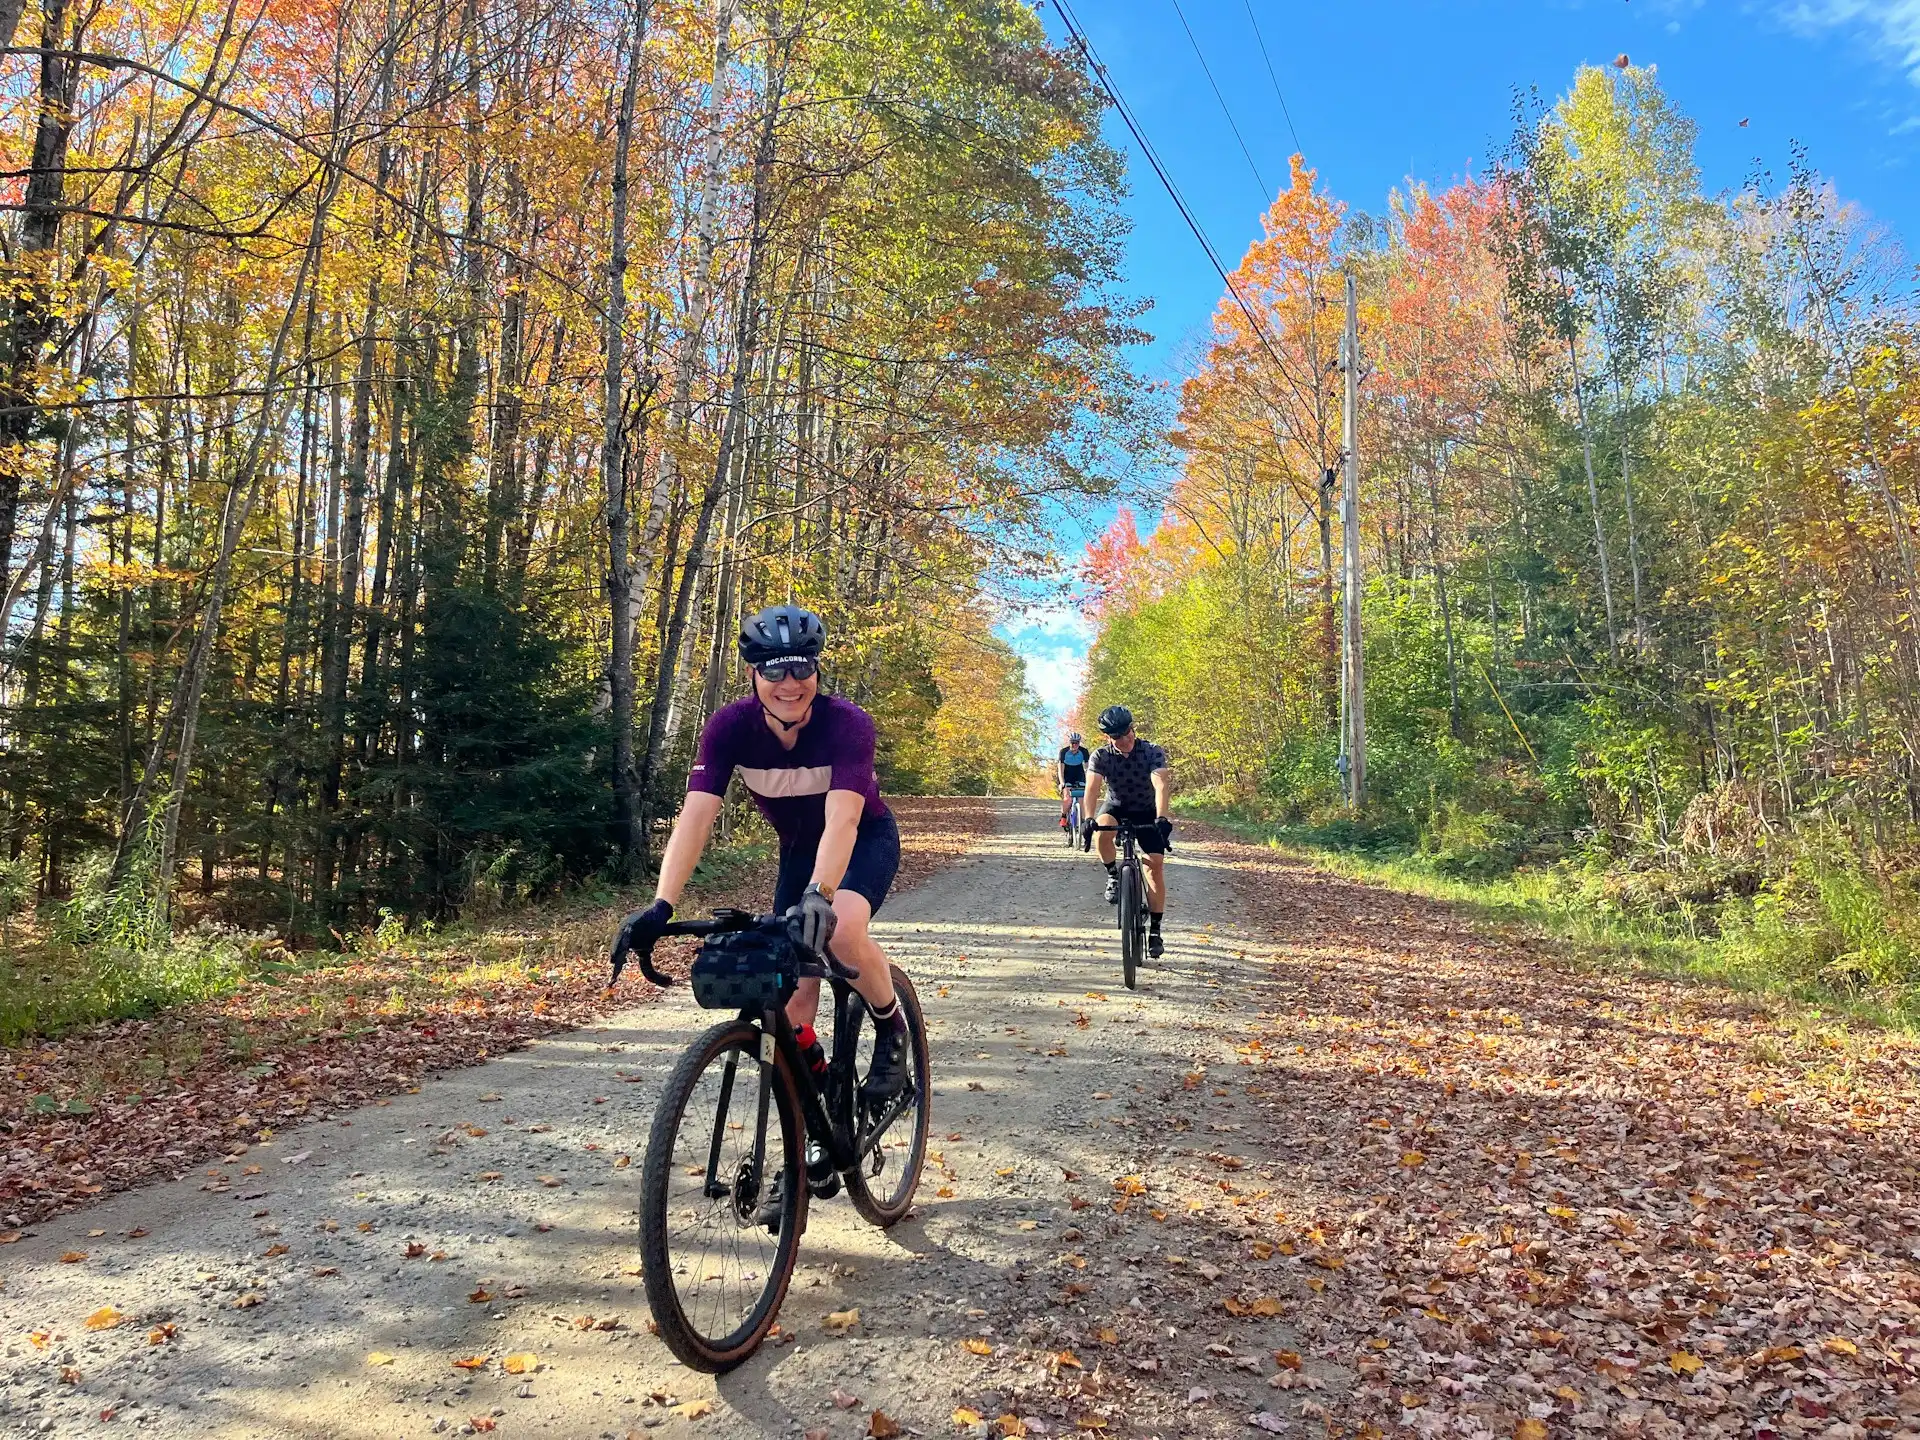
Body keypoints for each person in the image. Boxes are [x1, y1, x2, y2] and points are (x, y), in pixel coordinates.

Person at [609, 604, 911, 1110]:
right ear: (753, 672)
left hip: (863, 840)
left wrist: (820, 894)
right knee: (792, 999)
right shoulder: (730, 727)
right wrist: (662, 905)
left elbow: (843, 820)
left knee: (840, 930)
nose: (789, 682)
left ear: (816, 669)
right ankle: (814, 1118)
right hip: (798, 851)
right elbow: (696, 818)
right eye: (774, 669)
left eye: (801, 667)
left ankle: (891, 1028)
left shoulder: (847, 724)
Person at [1079, 704, 1173, 958]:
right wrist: (1088, 818)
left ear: (1133, 728)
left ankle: (1155, 930)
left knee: (1154, 866)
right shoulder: (1101, 756)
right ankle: (1113, 875)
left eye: (1127, 732)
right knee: (1102, 830)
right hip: (1116, 806)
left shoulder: (1151, 751)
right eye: (1117, 736)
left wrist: (1162, 816)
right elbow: (1092, 788)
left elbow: (1161, 783)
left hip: (1146, 809)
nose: (1124, 739)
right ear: (1108, 737)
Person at [1056, 731, 1089, 830]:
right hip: (1066, 775)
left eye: (1077, 743)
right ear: (1069, 742)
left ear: (1079, 743)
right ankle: (1063, 816)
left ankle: (1083, 821)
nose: (1074, 745)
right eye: (1072, 742)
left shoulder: (1084, 752)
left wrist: (1090, 782)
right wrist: (1062, 783)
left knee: (1081, 799)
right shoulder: (1063, 752)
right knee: (1068, 798)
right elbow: (1060, 769)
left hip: (1079, 774)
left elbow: (1088, 769)